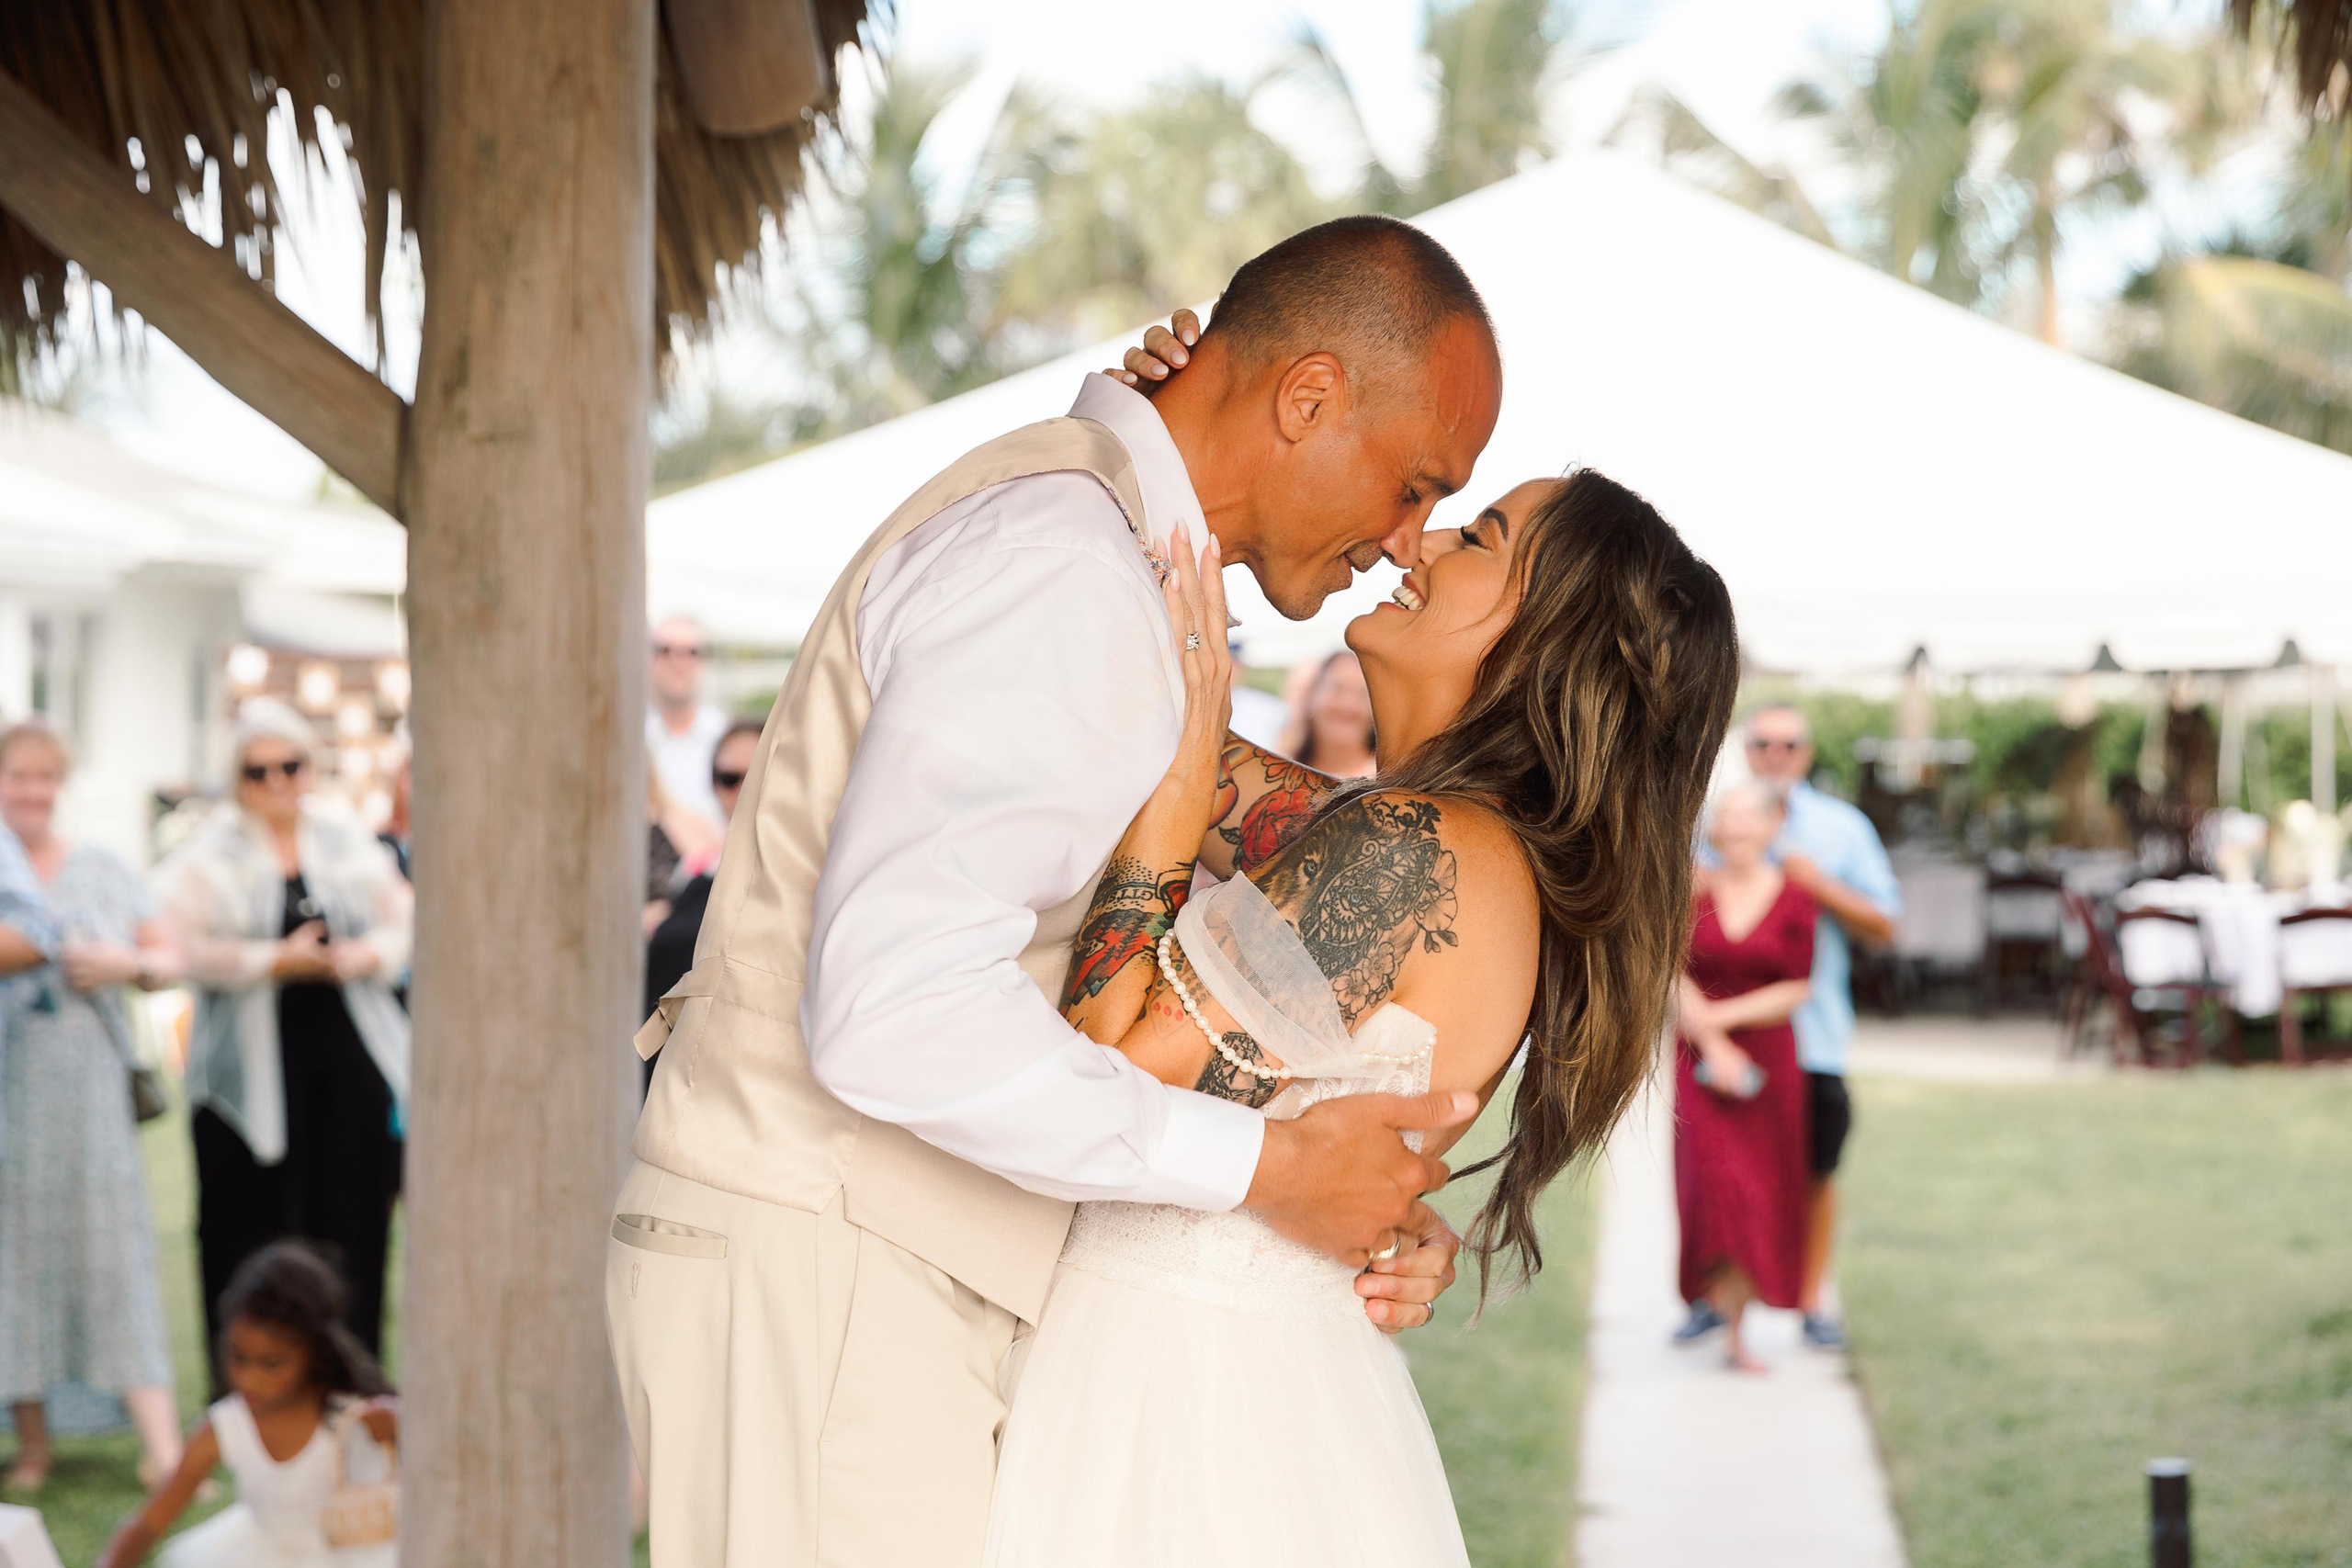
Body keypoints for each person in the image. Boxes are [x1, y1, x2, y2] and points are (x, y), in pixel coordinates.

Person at [612, 215, 1507, 1566]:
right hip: (830, 1260)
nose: (1405, 539)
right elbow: (896, 1010)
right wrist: (1269, 1171)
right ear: (1308, 396)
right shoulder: (1065, 567)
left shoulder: (1114, 558)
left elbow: (1375, 886)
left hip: (887, 1269)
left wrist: (1356, 1192)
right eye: (1415, 483)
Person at [986, 463, 1739, 1561]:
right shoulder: (1411, 835)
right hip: (1244, 1377)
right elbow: (1163, 733)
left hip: (1181, 1395)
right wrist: (1155, 446)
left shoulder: (1411, 851)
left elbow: (1113, 1066)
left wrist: (1176, 796)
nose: (1416, 546)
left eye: (1476, 538)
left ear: (1546, 638)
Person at [154, 699, 412, 1379]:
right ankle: (247, 1391)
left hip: (346, 1066)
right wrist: (274, 960)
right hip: (249, 1077)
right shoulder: (210, 853)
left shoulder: (344, 839)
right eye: (257, 770)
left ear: (310, 766)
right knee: (249, 1233)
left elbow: (402, 920)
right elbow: (175, 945)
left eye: (289, 766)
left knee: (350, 1230)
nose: (276, 783)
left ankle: (350, 1386)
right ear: (236, 776)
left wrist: (365, 955)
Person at [0, 723, 186, 1492]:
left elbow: (165, 954)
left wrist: (127, 961)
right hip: (10, 1097)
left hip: (92, 1101)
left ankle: (163, 1448)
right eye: (18, 776)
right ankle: (34, 1446)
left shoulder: (102, 865)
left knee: (115, 1257)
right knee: (15, 1263)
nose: (33, 791)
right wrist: (44, 941)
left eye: (46, 777)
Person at [1732, 703, 1900, 1350]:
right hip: (1731, 1034)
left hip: (1814, 1034)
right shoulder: (1712, 823)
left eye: (1790, 744)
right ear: (1747, 750)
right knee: (1727, 1168)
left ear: (1806, 754)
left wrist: (1816, 884)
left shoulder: (1840, 828)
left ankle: (1808, 1299)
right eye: (1764, 743)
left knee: (1815, 1171)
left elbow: (1886, 924)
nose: (1776, 754)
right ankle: (1722, 1300)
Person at [97, 1242, 398, 1568]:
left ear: (313, 1353)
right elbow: (151, 1522)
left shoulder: (355, 1414)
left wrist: (402, 1422)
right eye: (238, 1358)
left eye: (272, 1364)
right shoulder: (225, 1426)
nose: (248, 1380)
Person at [1669, 783, 1815, 1374]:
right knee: (1713, 1187)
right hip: (1698, 1064)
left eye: (1747, 819)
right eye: (1725, 820)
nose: (1735, 830)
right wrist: (1710, 1042)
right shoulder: (1692, 892)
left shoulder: (1797, 898)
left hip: (1769, 1065)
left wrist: (1721, 1021)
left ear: (1772, 827)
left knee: (1758, 1192)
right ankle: (1719, 1310)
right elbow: (1669, 971)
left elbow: (1797, 988)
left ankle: (1739, 1330)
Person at [641, 719, 761, 1090]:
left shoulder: (802, 874)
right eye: (729, 778)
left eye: (757, 773)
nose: (742, 790)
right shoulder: (697, 870)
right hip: (677, 1079)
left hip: (744, 1082)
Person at [644, 615, 729, 832]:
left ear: (704, 661)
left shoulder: (726, 738)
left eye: (691, 652)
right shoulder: (628, 741)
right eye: (665, 651)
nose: (678, 663)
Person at [1276, 649, 1378, 778]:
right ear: (1311, 694)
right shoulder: (1279, 773)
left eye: (1362, 694)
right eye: (1337, 688)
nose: (1348, 704)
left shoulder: (1389, 786)